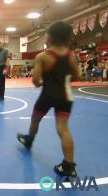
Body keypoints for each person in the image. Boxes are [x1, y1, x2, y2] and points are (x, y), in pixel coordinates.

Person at [17, 21, 80, 178]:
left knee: (35, 119)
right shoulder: (71, 56)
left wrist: (46, 81)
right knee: (63, 129)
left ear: (51, 37)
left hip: (48, 95)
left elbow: (36, 81)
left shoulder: (43, 57)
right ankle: (69, 166)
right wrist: (62, 78)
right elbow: (77, 76)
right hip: (65, 96)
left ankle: (29, 140)